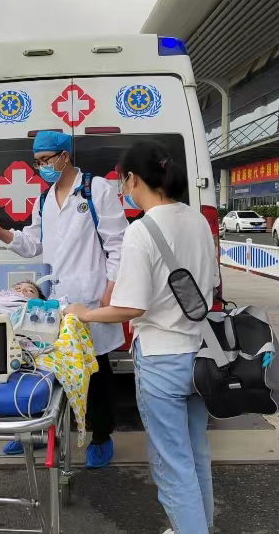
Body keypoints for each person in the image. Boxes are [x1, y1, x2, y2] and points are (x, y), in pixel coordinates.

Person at [66, 141, 218, 534]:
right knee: (196, 454)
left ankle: (191, 529)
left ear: (133, 179)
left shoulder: (141, 230)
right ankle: (197, 524)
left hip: (161, 359)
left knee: (172, 462)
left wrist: (84, 313)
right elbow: (212, 284)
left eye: (123, 181)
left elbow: (129, 307)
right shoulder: (198, 220)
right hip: (202, 356)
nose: (123, 189)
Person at [0, 130, 128, 468]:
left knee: (95, 369)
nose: (40, 167)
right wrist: (0, 232)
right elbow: (34, 244)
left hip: (90, 295)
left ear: (64, 156)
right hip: (53, 299)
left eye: (45, 160)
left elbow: (117, 243)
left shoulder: (95, 189)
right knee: (46, 366)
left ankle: (101, 437)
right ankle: (40, 433)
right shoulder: (43, 199)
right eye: (37, 162)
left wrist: (110, 289)